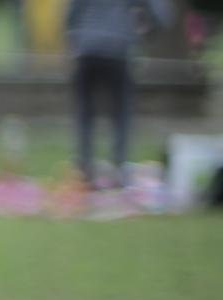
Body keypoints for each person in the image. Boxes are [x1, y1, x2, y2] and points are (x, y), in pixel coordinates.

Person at [67, 0, 170, 189]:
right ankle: (119, 170)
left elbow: (71, 12)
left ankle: (84, 170)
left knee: (84, 113)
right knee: (121, 115)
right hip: (119, 47)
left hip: (86, 46)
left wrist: (75, 38)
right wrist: (145, 33)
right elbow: (160, 14)